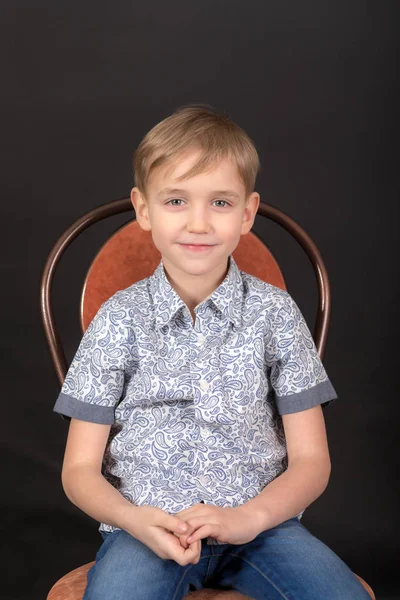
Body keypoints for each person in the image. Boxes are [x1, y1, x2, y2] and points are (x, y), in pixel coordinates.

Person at [54, 106, 370, 600]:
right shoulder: (118, 319)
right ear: (143, 209)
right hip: (148, 529)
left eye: (220, 203)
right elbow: (78, 471)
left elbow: (312, 461)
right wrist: (132, 519)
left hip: (261, 529)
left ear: (247, 213)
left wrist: (251, 517)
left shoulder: (275, 314)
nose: (198, 222)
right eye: (176, 200)